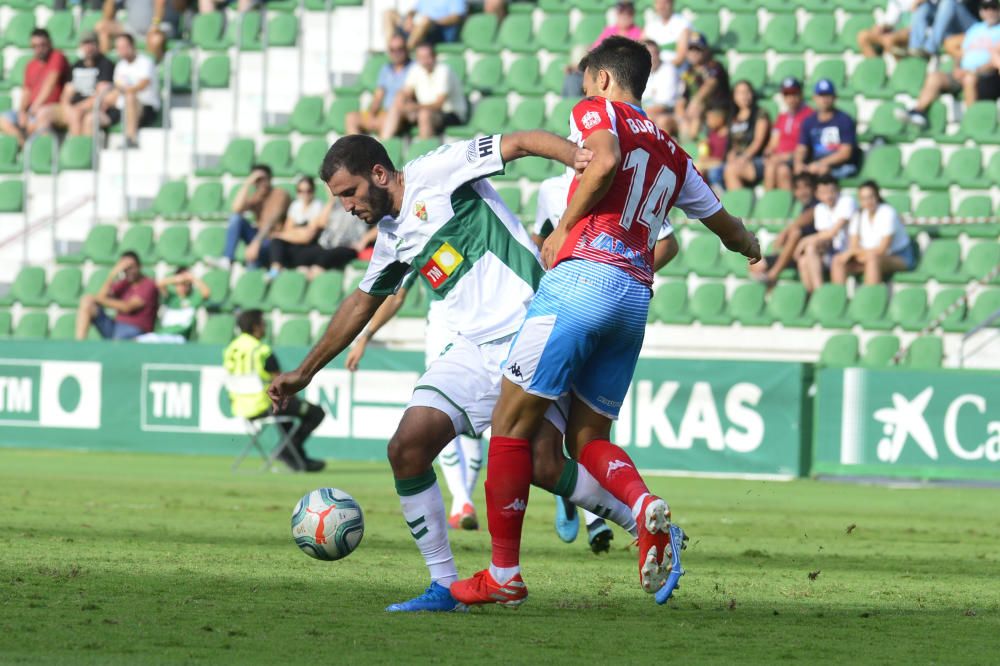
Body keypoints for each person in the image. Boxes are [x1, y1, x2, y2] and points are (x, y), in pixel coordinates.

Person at [267, 132, 643, 613]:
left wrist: (579, 159)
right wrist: (304, 372)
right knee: (407, 448)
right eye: (338, 198)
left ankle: (643, 523)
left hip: (527, 328)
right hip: (470, 348)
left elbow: (521, 143)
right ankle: (444, 585)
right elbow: (363, 301)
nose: (345, 206)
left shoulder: (439, 170)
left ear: (379, 174)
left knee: (545, 466)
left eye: (349, 193)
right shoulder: (391, 237)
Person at [450, 37, 760, 608]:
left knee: (511, 423)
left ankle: (503, 575)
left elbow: (605, 157)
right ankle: (644, 509)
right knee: (588, 436)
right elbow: (726, 225)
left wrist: (564, 225)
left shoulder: (598, 111)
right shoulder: (674, 151)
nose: (582, 90)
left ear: (602, 80)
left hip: (582, 281)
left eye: (585, 80)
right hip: (634, 298)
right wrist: (752, 246)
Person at [531, 168, 680, 555]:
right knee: (578, 437)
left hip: (590, 307)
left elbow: (668, 243)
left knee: (545, 439)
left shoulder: (626, 179)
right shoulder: (551, 188)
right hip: (574, 307)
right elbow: (539, 242)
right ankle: (627, 511)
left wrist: (625, 273)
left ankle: (506, 570)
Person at [345, 271, 485, 531]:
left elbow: (397, 297)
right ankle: (463, 502)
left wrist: (366, 336)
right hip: (476, 317)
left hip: (452, 321)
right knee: (465, 415)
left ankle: (462, 502)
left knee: (446, 411)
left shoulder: (419, 235)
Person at [223, 309, 326, 473]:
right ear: (256, 327)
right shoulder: (261, 351)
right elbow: (281, 383)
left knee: (288, 418)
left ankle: (298, 459)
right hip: (265, 404)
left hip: (240, 407)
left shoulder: (230, 349)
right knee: (315, 413)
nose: (265, 327)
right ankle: (286, 452)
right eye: (263, 324)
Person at [897, 0, 1000, 128]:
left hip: (985, 76)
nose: (989, 11)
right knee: (935, 77)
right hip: (964, 72)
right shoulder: (975, 29)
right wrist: (957, 68)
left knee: (969, 79)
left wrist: (974, 71)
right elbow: (961, 53)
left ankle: (971, 123)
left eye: (993, 7)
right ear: (981, 11)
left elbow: (995, 61)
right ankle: (919, 111)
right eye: (985, 7)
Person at [268, 178, 377, 277]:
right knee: (284, 247)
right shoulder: (333, 203)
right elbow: (321, 223)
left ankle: (312, 273)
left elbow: (383, 224)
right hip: (324, 245)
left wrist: (365, 239)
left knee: (326, 256)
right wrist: (331, 201)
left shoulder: (365, 202)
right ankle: (279, 270)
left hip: (346, 246)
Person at [831, 181, 915, 285]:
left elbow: (882, 249)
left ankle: (870, 298)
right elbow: (853, 245)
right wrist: (855, 253)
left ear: (877, 197)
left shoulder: (887, 212)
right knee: (837, 260)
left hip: (899, 256)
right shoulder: (858, 215)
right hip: (866, 254)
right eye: (864, 198)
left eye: (870, 197)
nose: (868, 202)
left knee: (872, 259)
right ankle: (839, 298)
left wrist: (856, 253)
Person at [380, 43, 466, 140]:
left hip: (451, 114)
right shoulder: (416, 69)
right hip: (425, 110)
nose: (425, 61)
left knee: (424, 115)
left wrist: (414, 107)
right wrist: (401, 102)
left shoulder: (444, 71)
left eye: (427, 57)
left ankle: (425, 151)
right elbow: (406, 92)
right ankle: (383, 143)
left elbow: (439, 104)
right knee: (396, 108)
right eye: (421, 57)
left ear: (434, 57)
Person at [0, 29, 70, 148]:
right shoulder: (31, 65)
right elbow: (26, 91)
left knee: (38, 120)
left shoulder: (57, 57)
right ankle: (24, 145)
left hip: (50, 107)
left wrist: (35, 107)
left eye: (42, 45)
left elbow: (50, 83)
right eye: (35, 46)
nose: (39, 49)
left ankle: (34, 151)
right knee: (3, 119)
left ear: (49, 43)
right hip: (32, 110)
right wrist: (22, 111)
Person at [750, 172, 818, 287]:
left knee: (795, 234)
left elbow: (810, 215)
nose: (803, 192)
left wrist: (785, 232)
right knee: (754, 264)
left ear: (813, 188)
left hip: (810, 253)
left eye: (806, 187)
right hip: (795, 254)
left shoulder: (817, 205)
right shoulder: (802, 206)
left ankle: (773, 275)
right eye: (798, 188)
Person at [93, 33, 160, 148]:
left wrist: (125, 90)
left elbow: (143, 84)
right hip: (123, 106)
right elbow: (118, 87)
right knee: (95, 108)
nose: (121, 50)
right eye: (119, 48)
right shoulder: (120, 65)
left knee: (129, 96)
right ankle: (90, 149)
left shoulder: (146, 62)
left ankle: (131, 138)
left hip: (146, 107)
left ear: (132, 46)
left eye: (124, 47)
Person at [221, 164, 292, 270]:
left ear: (270, 178)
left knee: (254, 255)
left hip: (274, 239)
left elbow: (271, 222)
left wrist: (256, 243)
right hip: (258, 237)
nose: (261, 183)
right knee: (236, 219)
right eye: (258, 180)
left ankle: (252, 275)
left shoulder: (280, 194)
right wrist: (248, 183)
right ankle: (227, 259)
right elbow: (236, 209)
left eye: (263, 179)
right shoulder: (257, 196)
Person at [75, 251, 159, 340]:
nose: (128, 271)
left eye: (131, 267)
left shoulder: (149, 284)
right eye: (125, 268)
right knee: (87, 302)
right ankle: (79, 344)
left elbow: (127, 307)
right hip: (115, 326)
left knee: (118, 340)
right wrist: (113, 274)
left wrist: (97, 298)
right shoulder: (124, 283)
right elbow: (101, 296)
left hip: (136, 329)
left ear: (139, 267)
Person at [794, 175, 857, 293]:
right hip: (834, 251)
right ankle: (816, 294)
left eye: (831, 191)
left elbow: (833, 232)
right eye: (823, 192)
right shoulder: (820, 208)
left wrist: (804, 241)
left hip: (849, 251)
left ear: (838, 190)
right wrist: (810, 242)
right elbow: (824, 236)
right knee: (804, 260)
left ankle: (821, 294)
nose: (828, 195)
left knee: (811, 245)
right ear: (817, 194)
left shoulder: (847, 201)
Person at [345, 36, 412, 136]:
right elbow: (379, 95)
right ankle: (356, 149)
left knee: (387, 119)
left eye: (400, 49)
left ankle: (382, 148)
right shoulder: (386, 69)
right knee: (351, 118)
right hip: (384, 112)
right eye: (392, 50)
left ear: (406, 49)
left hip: (401, 115)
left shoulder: (414, 68)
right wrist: (371, 114)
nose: (396, 53)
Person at [792, 79, 858, 180]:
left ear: (834, 97)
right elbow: (801, 148)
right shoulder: (809, 122)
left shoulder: (844, 120)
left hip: (840, 166)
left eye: (828, 95)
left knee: (823, 172)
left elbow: (845, 153)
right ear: (815, 98)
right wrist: (798, 163)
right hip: (816, 165)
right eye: (821, 95)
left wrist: (820, 164)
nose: (824, 99)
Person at [58, 32, 114, 137]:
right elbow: (67, 93)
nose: (88, 48)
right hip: (75, 107)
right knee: (45, 114)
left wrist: (78, 108)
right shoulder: (76, 65)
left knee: (82, 117)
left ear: (97, 45)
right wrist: (67, 107)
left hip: (95, 107)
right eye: (85, 44)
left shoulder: (106, 64)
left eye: (91, 43)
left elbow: (102, 94)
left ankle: (78, 148)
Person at [676, 32, 730, 140]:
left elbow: (710, 84)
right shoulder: (688, 72)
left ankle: (689, 145)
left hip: (717, 110)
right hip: (695, 114)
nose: (694, 53)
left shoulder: (715, 66)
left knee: (697, 109)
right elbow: (682, 98)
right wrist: (682, 115)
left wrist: (695, 102)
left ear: (705, 51)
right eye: (691, 49)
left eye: (698, 49)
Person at [763, 77, 813, 191]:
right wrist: (769, 153)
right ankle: (768, 203)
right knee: (771, 167)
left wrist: (785, 156)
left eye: (794, 94)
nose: (790, 98)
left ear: (800, 94)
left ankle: (786, 206)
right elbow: (773, 143)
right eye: (786, 94)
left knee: (782, 171)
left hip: (796, 158)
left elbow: (807, 146)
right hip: (778, 159)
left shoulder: (809, 115)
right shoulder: (782, 117)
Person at [723, 80, 771, 191]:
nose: (744, 96)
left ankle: (740, 205)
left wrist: (744, 157)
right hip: (737, 160)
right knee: (712, 171)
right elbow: (732, 143)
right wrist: (731, 154)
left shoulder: (760, 113)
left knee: (731, 171)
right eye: (740, 93)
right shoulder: (733, 117)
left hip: (756, 159)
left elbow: (758, 141)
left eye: (746, 92)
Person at [94, 0, 177, 63]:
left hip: (160, 25)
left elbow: (160, 4)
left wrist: (155, 25)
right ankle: (105, 68)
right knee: (102, 27)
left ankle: (150, 73)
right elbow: (107, 16)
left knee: (155, 39)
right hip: (132, 28)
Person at [143, 267, 211, 342]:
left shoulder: (193, 298)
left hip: (179, 337)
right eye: (179, 284)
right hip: (162, 334)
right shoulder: (171, 297)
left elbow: (206, 293)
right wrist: (177, 278)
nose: (182, 286)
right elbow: (159, 284)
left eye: (185, 283)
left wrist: (192, 278)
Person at [384, 0, 467, 51]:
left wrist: (432, 22)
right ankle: (391, 49)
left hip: (439, 31)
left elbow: (457, 17)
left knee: (425, 21)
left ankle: (406, 52)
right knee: (389, 14)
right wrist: (409, 18)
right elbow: (414, 10)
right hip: (418, 28)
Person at [909, 0, 976, 57]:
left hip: (973, 26)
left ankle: (930, 48)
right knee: (924, 7)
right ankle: (915, 47)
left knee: (948, 2)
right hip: (950, 24)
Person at [641, 40, 681, 133]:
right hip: (647, 112)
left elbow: (663, 106)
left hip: (669, 113)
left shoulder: (669, 70)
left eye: (654, 54)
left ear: (659, 54)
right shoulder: (641, 71)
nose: (652, 58)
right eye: (648, 55)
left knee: (658, 121)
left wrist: (636, 114)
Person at [695, 104, 728, 190]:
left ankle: (718, 192)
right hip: (711, 162)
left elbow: (723, 158)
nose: (707, 121)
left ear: (720, 119)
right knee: (695, 168)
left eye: (710, 118)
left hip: (721, 163)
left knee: (712, 172)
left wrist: (708, 159)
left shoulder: (728, 135)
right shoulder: (711, 134)